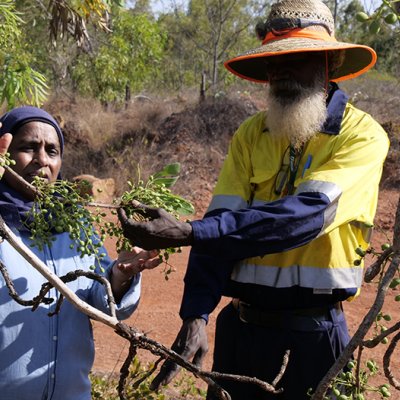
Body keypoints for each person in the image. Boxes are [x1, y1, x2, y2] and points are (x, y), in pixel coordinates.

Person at [118, 0, 390, 398]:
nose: (279, 72)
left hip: (314, 336)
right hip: (242, 332)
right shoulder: (252, 134)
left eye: (295, 58)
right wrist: (196, 314)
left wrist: (190, 231)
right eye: (273, 63)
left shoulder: (361, 136)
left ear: (327, 63)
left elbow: (305, 216)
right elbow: (221, 222)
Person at [0, 106, 161, 400]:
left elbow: (102, 303)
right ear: (4, 153)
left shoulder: (75, 222)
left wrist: (118, 277)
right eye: (28, 147)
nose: (41, 160)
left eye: (52, 151)